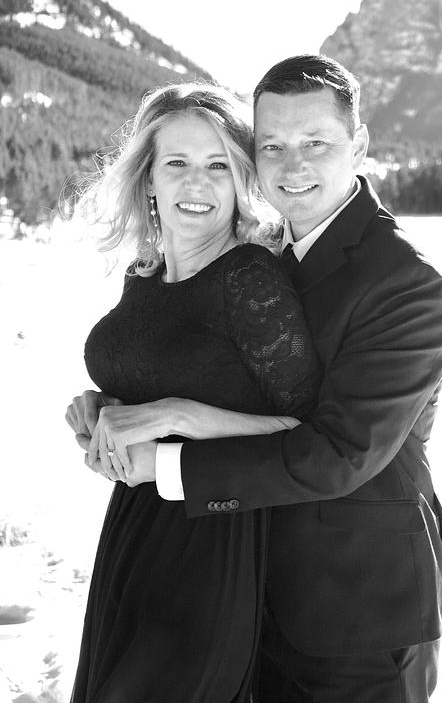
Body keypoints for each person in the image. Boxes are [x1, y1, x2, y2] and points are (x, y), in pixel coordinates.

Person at [70, 55, 442, 703]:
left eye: (316, 143)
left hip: (355, 607)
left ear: (359, 147)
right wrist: (113, 404)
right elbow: (220, 369)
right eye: (273, 145)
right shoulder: (267, 248)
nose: (293, 164)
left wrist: (168, 447)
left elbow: (340, 451)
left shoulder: (403, 283)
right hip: (246, 587)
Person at [66, 81, 321, 702]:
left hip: (210, 552)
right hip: (133, 532)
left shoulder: (249, 278)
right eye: (177, 163)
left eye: (218, 165)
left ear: (241, 181)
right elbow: (162, 368)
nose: (197, 183)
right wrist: (103, 408)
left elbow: (309, 435)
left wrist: (173, 415)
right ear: (149, 178)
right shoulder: (145, 273)